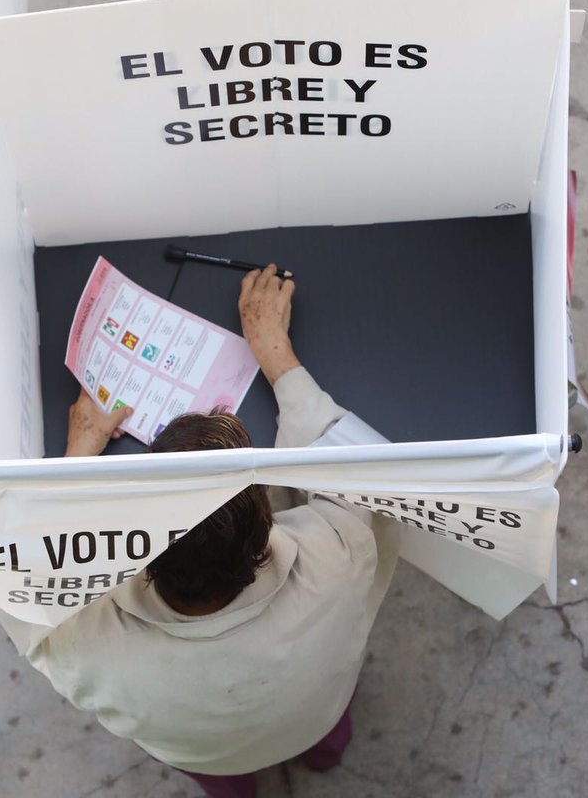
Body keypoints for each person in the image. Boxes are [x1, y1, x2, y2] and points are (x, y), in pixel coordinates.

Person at [31, 265, 401, 798]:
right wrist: (277, 355)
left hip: (201, 753)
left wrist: (81, 452)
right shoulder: (337, 562)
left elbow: (38, 562)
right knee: (322, 725)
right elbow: (350, 470)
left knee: (223, 780)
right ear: (266, 519)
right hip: (314, 711)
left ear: (137, 551)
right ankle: (326, 753)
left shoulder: (77, 639)